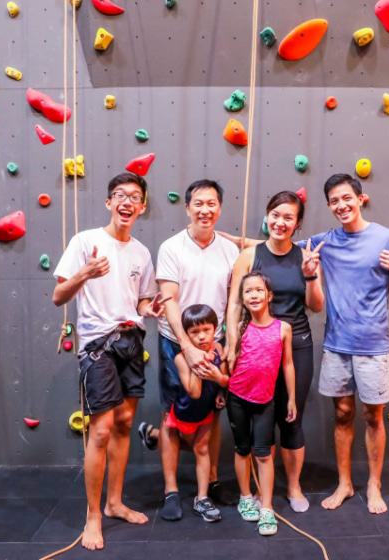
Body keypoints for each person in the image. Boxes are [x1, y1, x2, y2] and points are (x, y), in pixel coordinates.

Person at [52, 172, 170, 551]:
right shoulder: (86, 241)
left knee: (123, 424)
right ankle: (93, 516)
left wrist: (149, 308)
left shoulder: (140, 252)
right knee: (100, 430)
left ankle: (115, 502)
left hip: (131, 340)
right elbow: (58, 295)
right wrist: (85, 272)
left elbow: (139, 302)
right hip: (98, 346)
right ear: (108, 203)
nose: (127, 201)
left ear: (142, 207)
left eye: (134, 196)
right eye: (119, 194)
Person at [304, 173, 389, 515]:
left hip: (373, 345)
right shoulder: (323, 242)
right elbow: (274, 245)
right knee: (341, 414)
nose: (341, 205)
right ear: (328, 206)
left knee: (372, 416)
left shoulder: (388, 237)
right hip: (336, 345)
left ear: (361, 198)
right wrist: (223, 237)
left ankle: (373, 484)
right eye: (334, 201)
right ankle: (344, 484)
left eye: (346, 198)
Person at [225, 191, 324, 513]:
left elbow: (316, 305)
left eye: (288, 218)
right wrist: (230, 343)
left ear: (297, 224)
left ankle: (294, 487)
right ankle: (251, 491)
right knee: (254, 419)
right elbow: (235, 302)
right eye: (275, 215)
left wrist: (310, 274)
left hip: (295, 344)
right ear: (267, 216)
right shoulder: (249, 256)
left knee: (290, 417)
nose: (280, 222)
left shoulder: (305, 257)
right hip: (254, 346)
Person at [154, 179, 240, 521]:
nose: (206, 210)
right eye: (199, 204)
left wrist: (228, 342)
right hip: (175, 341)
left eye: (212, 204)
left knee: (211, 413)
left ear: (220, 207)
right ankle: (171, 490)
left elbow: (233, 303)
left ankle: (212, 481)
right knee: (171, 417)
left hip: (214, 343)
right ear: (187, 208)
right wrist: (187, 347)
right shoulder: (171, 247)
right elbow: (170, 301)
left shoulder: (230, 250)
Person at [228, 271, 296, 536]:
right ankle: (245, 497)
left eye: (258, 290)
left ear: (269, 295)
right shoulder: (237, 328)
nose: (253, 295)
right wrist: (223, 388)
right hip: (237, 398)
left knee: (264, 453)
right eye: (248, 291)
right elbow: (228, 360)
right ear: (242, 299)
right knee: (242, 448)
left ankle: (266, 507)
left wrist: (291, 398)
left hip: (265, 400)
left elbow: (288, 364)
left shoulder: (283, 328)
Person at [170, 304, 230, 522]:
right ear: (186, 335)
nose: (202, 336)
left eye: (206, 329)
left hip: (206, 411)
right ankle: (154, 435)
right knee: (186, 444)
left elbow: (226, 380)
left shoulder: (219, 350)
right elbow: (194, 392)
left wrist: (217, 379)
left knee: (201, 449)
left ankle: (202, 498)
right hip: (185, 412)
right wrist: (198, 361)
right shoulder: (180, 358)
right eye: (195, 332)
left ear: (215, 329)